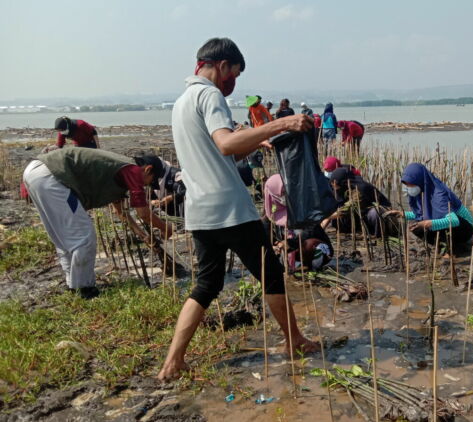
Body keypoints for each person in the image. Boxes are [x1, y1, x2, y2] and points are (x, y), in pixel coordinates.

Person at [159, 37, 317, 381]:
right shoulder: (209, 94)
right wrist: (281, 124)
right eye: (235, 74)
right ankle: (295, 342)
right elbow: (225, 143)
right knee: (271, 276)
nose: (234, 83)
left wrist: (251, 140)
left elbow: (219, 155)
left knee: (206, 285)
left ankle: (173, 361)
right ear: (221, 66)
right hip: (229, 209)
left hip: (199, 211)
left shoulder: (182, 101)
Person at [22, 148, 172, 298]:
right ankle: (84, 289)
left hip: (36, 172)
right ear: (147, 169)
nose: (147, 186)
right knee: (84, 238)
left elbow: (121, 212)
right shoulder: (132, 171)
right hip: (52, 175)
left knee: (64, 239)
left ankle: (73, 285)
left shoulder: (121, 170)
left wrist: (142, 234)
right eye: (151, 182)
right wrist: (166, 228)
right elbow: (144, 213)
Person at [389, 163, 473, 249]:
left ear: (420, 180)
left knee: (430, 224)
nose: (409, 188)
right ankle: (441, 246)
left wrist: (427, 223)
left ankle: (450, 250)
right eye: (407, 185)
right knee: (415, 226)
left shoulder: (438, 194)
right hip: (451, 223)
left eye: (411, 184)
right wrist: (401, 214)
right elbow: (423, 214)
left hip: (465, 228)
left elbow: (454, 220)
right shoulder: (422, 192)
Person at [263, 174, 333, 271]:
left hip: (314, 250)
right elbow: (267, 238)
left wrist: (290, 243)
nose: (284, 196)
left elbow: (309, 232)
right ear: (272, 194)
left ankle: (309, 267)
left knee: (308, 245)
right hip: (291, 254)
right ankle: (294, 267)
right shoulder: (271, 216)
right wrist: (275, 247)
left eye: (286, 191)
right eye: (281, 193)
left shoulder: (302, 209)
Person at [323, 167, 396, 238]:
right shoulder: (342, 189)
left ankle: (378, 236)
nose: (333, 186)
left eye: (334, 183)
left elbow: (348, 208)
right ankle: (355, 230)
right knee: (337, 218)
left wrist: (327, 216)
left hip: (381, 215)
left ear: (340, 182)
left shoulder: (360, 189)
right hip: (362, 214)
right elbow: (335, 207)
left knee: (374, 213)